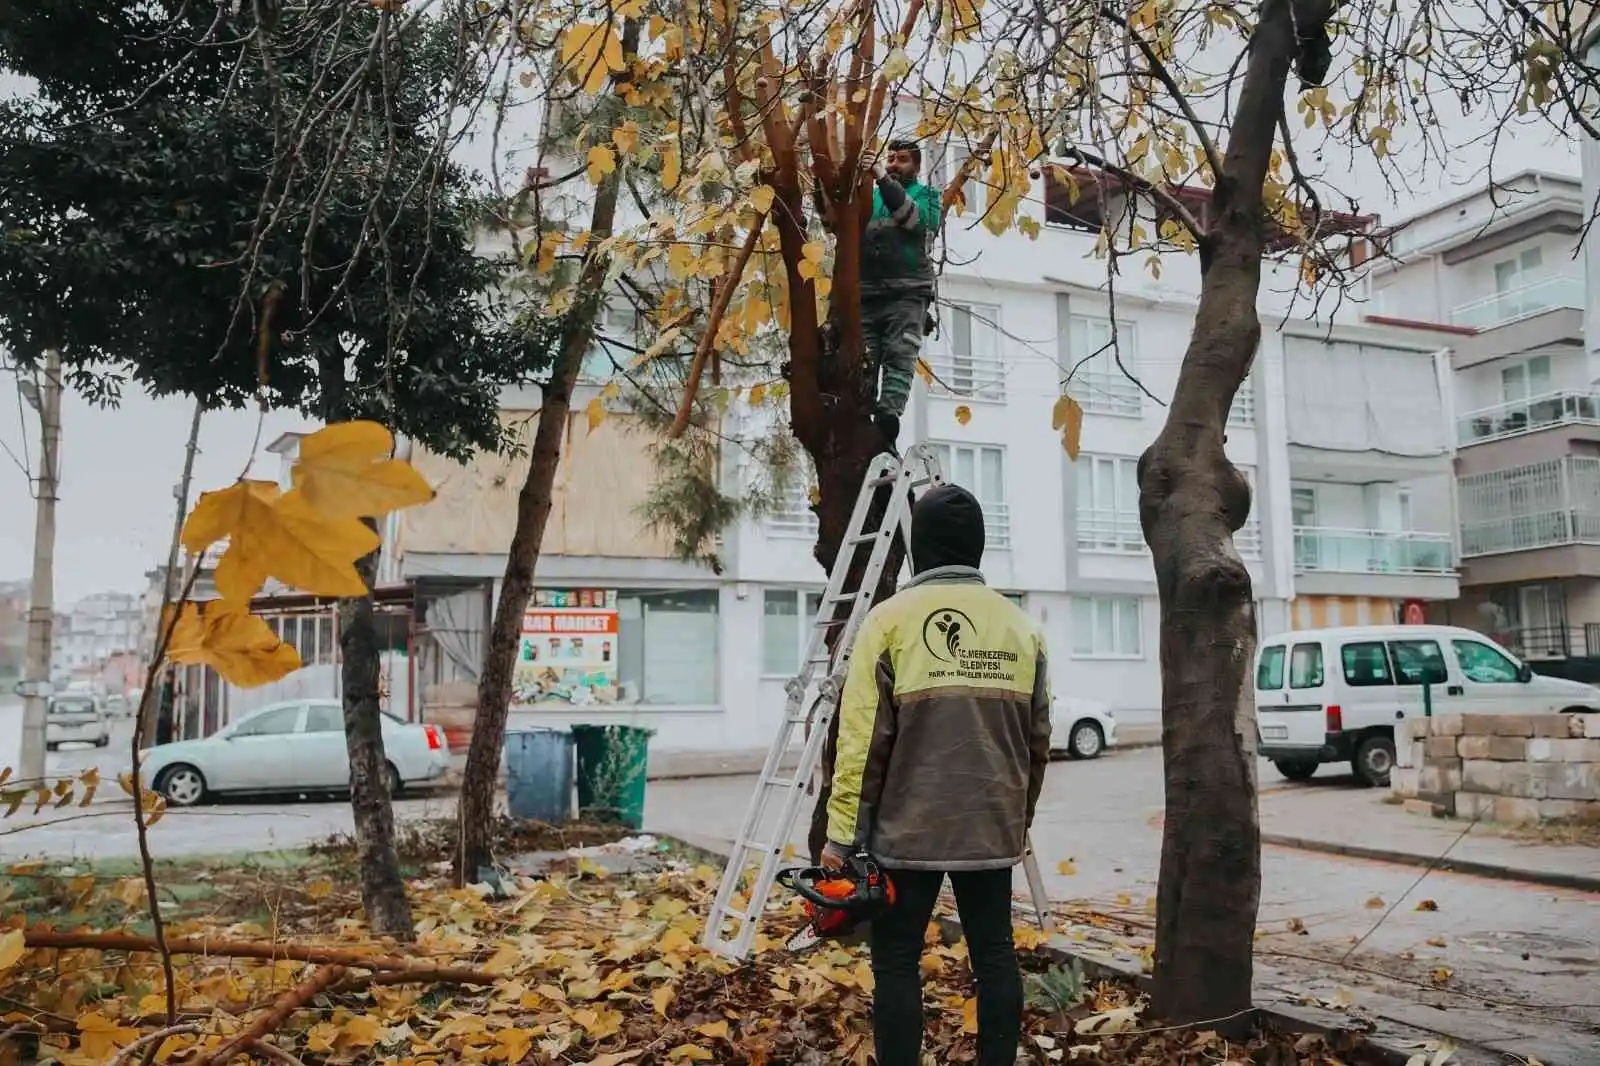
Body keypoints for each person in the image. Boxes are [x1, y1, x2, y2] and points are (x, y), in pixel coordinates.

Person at [823, 484, 1053, 1066]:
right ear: (977, 548)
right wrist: (1015, 824)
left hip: (907, 833)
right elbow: (1038, 743)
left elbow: (859, 742)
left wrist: (840, 836)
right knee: (995, 955)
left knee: (896, 959)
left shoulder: (888, 622)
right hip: (989, 830)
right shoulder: (1020, 628)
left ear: (917, 548)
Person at [860, 139, 942, 445]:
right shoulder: (868, 198)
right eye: (890, 158)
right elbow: (837, 224)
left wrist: (882, 176)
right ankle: (860, 419)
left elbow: (913, 220)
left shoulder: (929, 197)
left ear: (917, 166)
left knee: (899, 355)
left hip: (907, 293)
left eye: (902, 159)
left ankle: (887, 419)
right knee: (863, 363)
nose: (895, 164)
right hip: (867, 293)